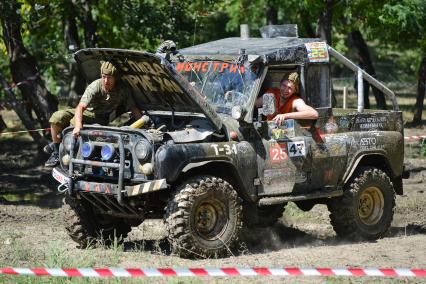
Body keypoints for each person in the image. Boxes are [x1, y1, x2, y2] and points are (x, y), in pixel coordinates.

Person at [45, 61, 142, 167]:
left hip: (102, 119)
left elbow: (133, 108)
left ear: (115, 78)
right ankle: (55, 151)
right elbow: (80, 107)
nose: (106, 81)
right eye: (104, 77)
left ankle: (64, 144)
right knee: (57, 117)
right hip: (88, 113)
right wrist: (77, 125)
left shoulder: (123, 89)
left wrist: (143, 122)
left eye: (109, 77)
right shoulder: (96, 85)